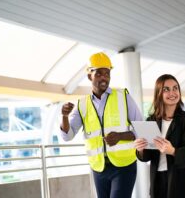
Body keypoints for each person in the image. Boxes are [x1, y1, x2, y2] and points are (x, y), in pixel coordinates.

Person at [60, 52, 143, 198]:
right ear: (89, 76)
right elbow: (67, 136)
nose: (104, 78)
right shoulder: (82, 104)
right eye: (99, 73)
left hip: (123, 166)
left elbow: (142, 129)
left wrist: (120, 136)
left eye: (107, 73)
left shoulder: (123, 96)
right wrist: (64, 117)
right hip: (98, 168)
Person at [134, 74, 185, 198]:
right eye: (166, 89)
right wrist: (140, 149)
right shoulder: (150, 121)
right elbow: (146, 157)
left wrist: (172, 151)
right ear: (159, 94)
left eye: (175, 88)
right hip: (157, 181)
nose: (172, 93)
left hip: (180, 181)